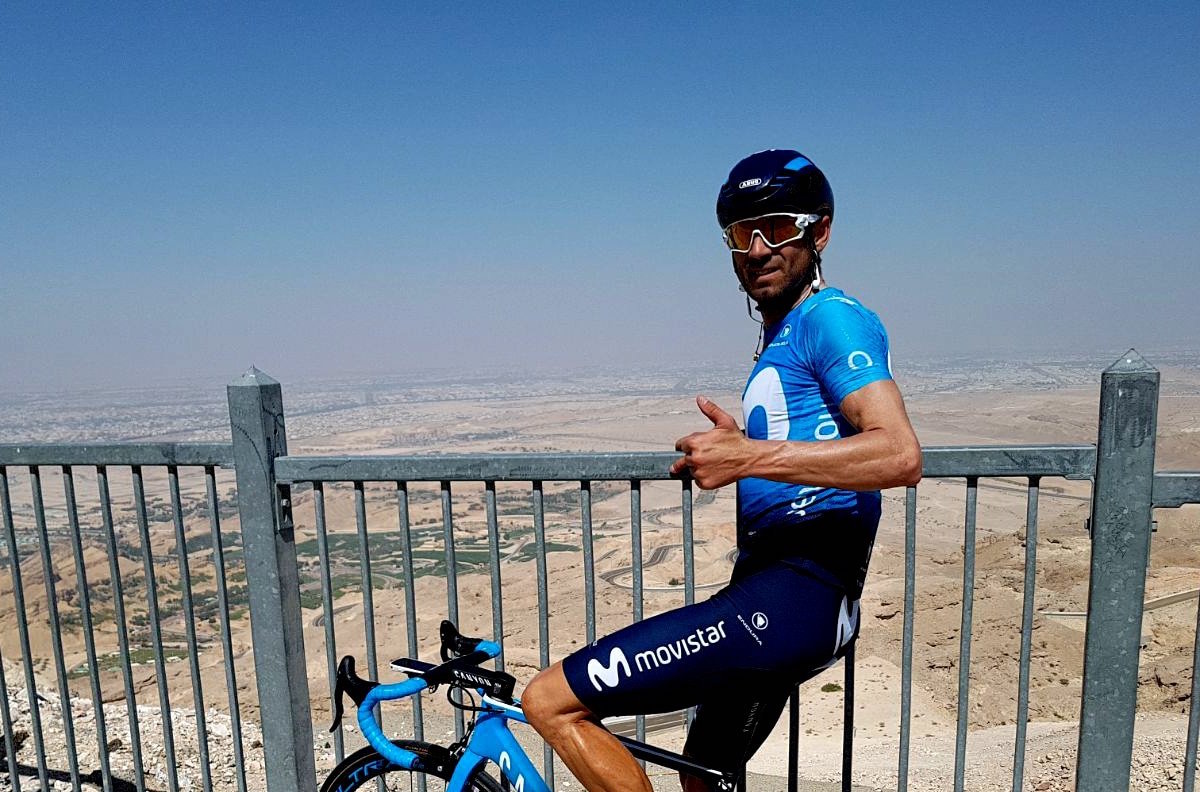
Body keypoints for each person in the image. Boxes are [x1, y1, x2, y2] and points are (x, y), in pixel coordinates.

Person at [522, 149, 922, 792]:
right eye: (742, 233)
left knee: (548, 701)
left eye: (778, 228)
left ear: (819, 232)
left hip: (790, 598)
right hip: (793, 599)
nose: (758, 249)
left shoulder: (830, 318)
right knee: (703, 780)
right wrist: (748, 447)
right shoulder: (787, 331)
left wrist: (750, 457)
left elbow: (899, 453)